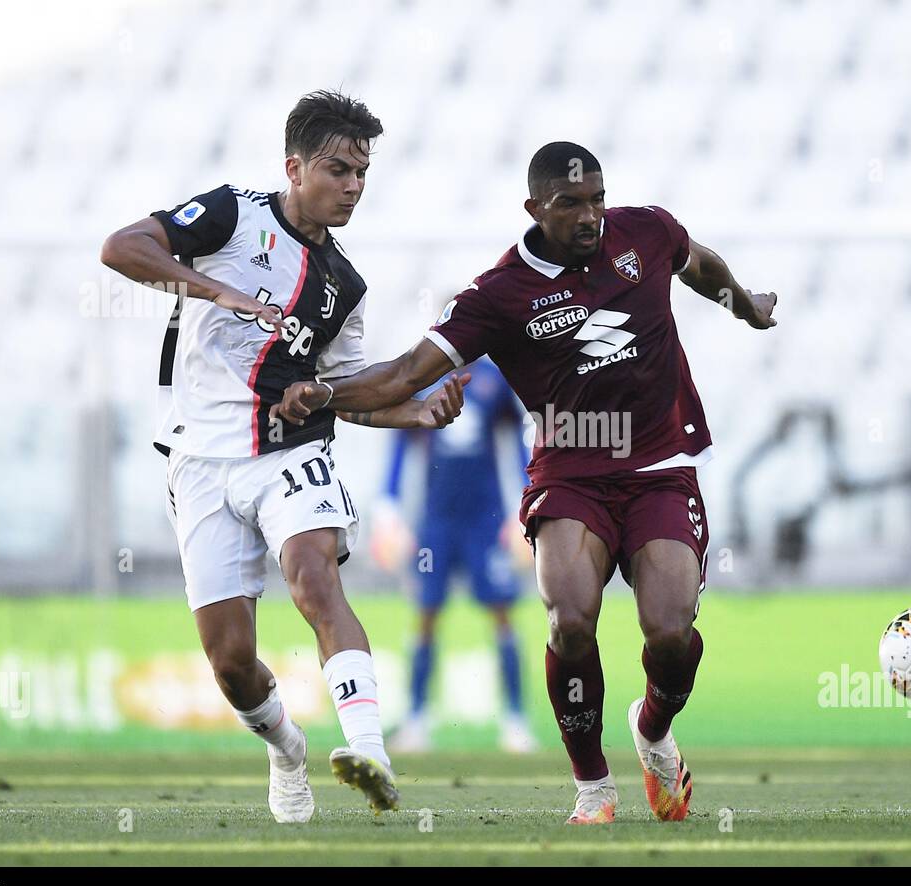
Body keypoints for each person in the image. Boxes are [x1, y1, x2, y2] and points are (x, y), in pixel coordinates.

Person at [274, 142, 777, 823]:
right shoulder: (502, 293)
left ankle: (654, 730)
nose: (591, 215)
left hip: (659, 466)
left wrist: (744, 304)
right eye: (572, 204)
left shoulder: (646, 231)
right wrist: (322, 390)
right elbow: (403, 375)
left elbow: (699, 263)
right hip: (571, 474)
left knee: (669, 632)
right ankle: (593, 785)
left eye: (598, 198)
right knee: (569, 621)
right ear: (535, 208)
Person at [99, 90, 467, 822]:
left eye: (362, 172)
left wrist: (412, 412)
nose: (354, 187)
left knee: (313, 582)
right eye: (338, 170)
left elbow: (344, 392)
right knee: (232, 665)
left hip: (288, 454)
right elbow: (120, 249)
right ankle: (286, 749)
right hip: (200, 460)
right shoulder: (231, 214)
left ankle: (371, 753)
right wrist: (217, 290)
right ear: (294, 168)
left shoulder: (346, 286)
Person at [378, 357, 537, 753]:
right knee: (425, 614)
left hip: (486, 520)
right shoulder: (423, 378)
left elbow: (515, 437)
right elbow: (402, 441)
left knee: (502, 612)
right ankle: (416, 719)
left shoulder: (494, 380)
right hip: (436, 522)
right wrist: (390, 507)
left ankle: (515, 720)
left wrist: (523, 504)